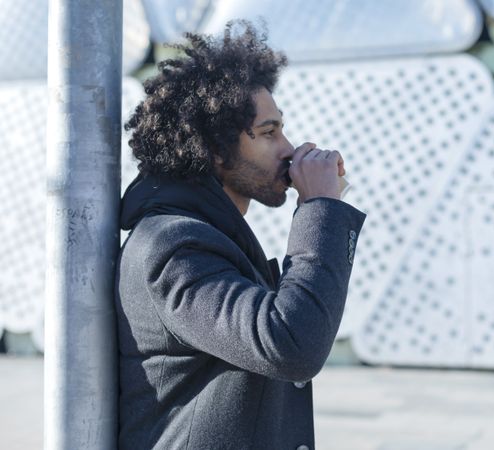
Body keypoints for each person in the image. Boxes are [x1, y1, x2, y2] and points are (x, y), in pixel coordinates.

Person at [115, 21, 366, 449]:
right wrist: (321, 209)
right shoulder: (173, 246)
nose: (289, 147)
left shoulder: (208, 234)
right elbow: (290, 343)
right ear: (214, 148)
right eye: (269, 133)